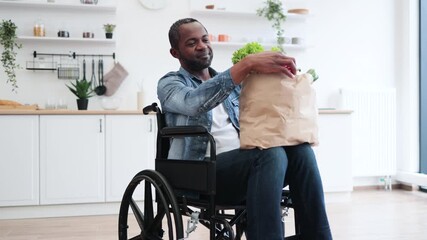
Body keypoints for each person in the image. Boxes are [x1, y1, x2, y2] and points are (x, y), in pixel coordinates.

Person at [157, 18, 332, 240]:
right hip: (201, 173)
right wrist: (246, 64)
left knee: (301, 150)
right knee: (270, 154)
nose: (202, 45)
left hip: (251, 164)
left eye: (204, 39)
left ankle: (317, 236)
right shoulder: (170, 83)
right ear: (175, 53)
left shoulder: (236, 85)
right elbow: (193, 103)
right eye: (192, 43)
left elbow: (263, 116)